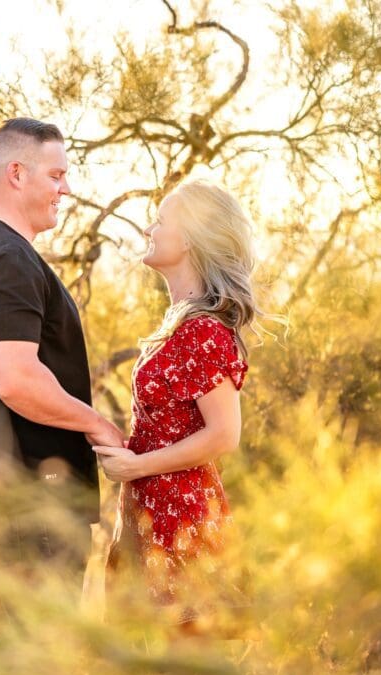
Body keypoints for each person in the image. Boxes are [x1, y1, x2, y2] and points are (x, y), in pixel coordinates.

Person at [0, 117, 124, 675]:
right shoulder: (4, 257)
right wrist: (99, 426)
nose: (65, 189)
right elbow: (15, 377)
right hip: (26, 496)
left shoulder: (3, 253)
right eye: (57, 174)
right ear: (16, 174)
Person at [93, 180, 261, 638]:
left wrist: (137, 465)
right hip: (148, 522)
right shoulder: (180, 325)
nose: (150, 227)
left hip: (182, 532)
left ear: (187, 238)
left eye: (161, 220)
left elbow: (224, 434)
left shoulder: (202, 331)